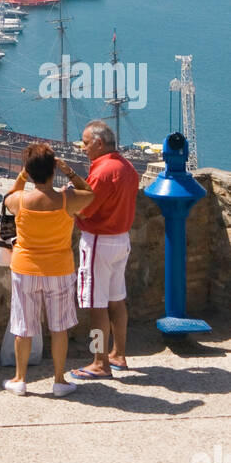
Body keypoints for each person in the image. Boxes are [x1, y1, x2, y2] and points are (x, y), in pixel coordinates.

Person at [3, 143, 96, 396]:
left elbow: (9, 195)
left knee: (23, 326)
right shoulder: (67, 200)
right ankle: (58, 380)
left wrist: (23, 175)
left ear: (30, 172)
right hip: (59, 269)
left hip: (25, 268)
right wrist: (70, 173)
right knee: (59, 327)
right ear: (53, 171)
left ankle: (20, 380)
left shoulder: (19, 201)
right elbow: (90, 193)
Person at [70, 119, 140, 380]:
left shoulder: (101, 172)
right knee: (116, 299)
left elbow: (85, 209)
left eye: (86, 143)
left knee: (96, 305)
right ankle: (118, 354)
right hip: (121, 239)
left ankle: (99, 362)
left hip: (99, 241)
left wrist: (71, 202)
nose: (83, 148)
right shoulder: (127, 167)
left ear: (99, 143)